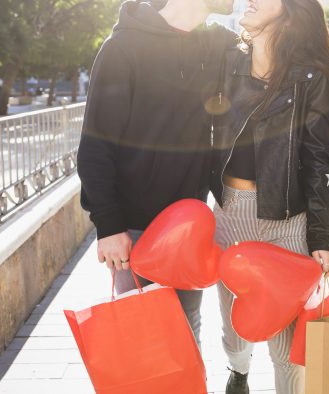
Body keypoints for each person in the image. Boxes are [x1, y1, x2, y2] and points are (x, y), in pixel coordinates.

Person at [209, 0, 329, 391]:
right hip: (229, 217)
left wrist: (322, 238)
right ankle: (238, 373)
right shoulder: (228, 61)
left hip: (286, 226)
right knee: (234, 330)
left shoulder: (314, 77)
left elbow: (320, 165)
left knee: (286, 350)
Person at [76, 0, 235, 348]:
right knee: (143, 342)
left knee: (186, 333)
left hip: (189, 227)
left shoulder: (216, 45)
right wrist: (109, 225)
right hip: (134, 230)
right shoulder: (122, 48)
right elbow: (94, 148)